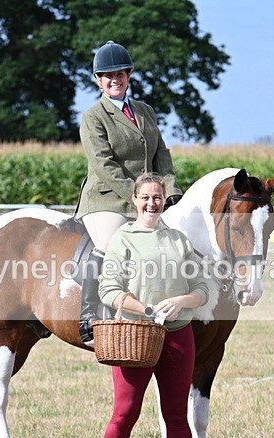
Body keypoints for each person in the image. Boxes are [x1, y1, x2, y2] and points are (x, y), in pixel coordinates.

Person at [95, 173, 208, 438]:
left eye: (157, 197)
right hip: (136, 336)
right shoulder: (123, 238)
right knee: (125, 412)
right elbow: (108, 289)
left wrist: (180, 303)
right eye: (145, 197)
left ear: (164, 200)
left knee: (177, 413)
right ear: (135, 199)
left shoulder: (178, 240)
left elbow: (202, 288)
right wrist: (145, 309)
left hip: (177, 335)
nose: (151, 203)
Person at [75, 40, 183, 345]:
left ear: (129, 75)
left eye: (119, 74)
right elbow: (103, 164)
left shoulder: (145, 111)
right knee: (109, 246)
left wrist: (171, 190)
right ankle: (87, 314)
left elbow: (161, 152)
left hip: (149, 198)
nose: (114, 80)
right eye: (107, 76)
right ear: (98, 80)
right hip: (107, 198)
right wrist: (139, 197)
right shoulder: (93, 117)